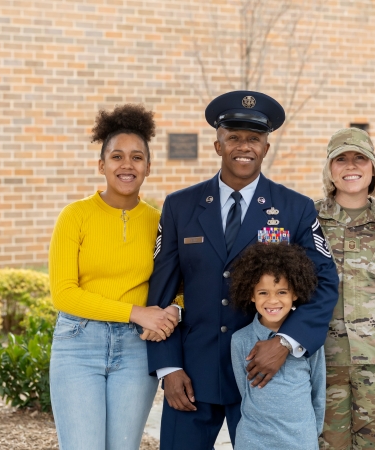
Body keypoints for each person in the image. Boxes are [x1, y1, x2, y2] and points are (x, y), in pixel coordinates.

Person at [145, 90, 339, 449]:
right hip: (192, 374)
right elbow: (161, 294)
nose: (243, 146)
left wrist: (285, 342)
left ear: (266, 147)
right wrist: (168, 368)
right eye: (233, 137)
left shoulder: (294, 208)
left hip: (264, 372)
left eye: (254, 139)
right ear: (218, 144)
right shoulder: (180, 206)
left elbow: (325, 285)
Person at [47, 104, 179, 450]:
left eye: (137, 157)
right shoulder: (74, 216)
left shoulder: (158, 221)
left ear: (148, 168)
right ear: (101, 165)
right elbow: (63, 294)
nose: (127, 165)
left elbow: (178, 285)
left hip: (136, 349)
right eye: (117, 156)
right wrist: (136, 312)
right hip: (78, 344)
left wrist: (173, 312)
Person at [315, 128, 375, 449]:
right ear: (330, 168)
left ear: (373, 168)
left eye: (360, 158)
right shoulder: (308, 219)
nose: (350, 166)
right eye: (341, 159)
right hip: (324, 359)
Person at [229, 243, 326, 450]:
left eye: (282, 292)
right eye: (263, 293)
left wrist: (312, 433)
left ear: (295, 294)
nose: (272, 300)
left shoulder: (307, 339)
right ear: (252, 295)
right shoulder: (240, 340)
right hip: (253, 440)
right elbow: (244, 392)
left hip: (300, 440)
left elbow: (318, 391)